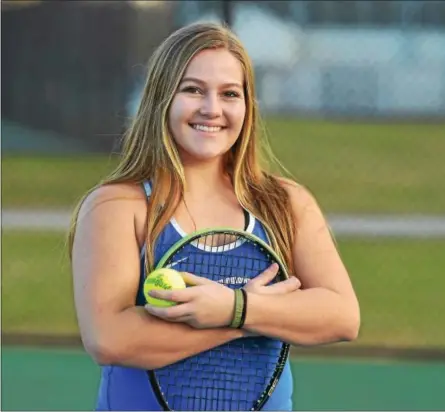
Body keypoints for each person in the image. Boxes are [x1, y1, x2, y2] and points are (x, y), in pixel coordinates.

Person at [69, 21, 360, 411]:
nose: (212, 109)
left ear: (247, 107)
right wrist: (245, 319)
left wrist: (235, 308)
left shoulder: (286, 203)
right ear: (161, 98)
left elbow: (341, 316)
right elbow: (109, 337)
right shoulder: (118, 206)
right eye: (193, 90)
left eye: (229, 94)